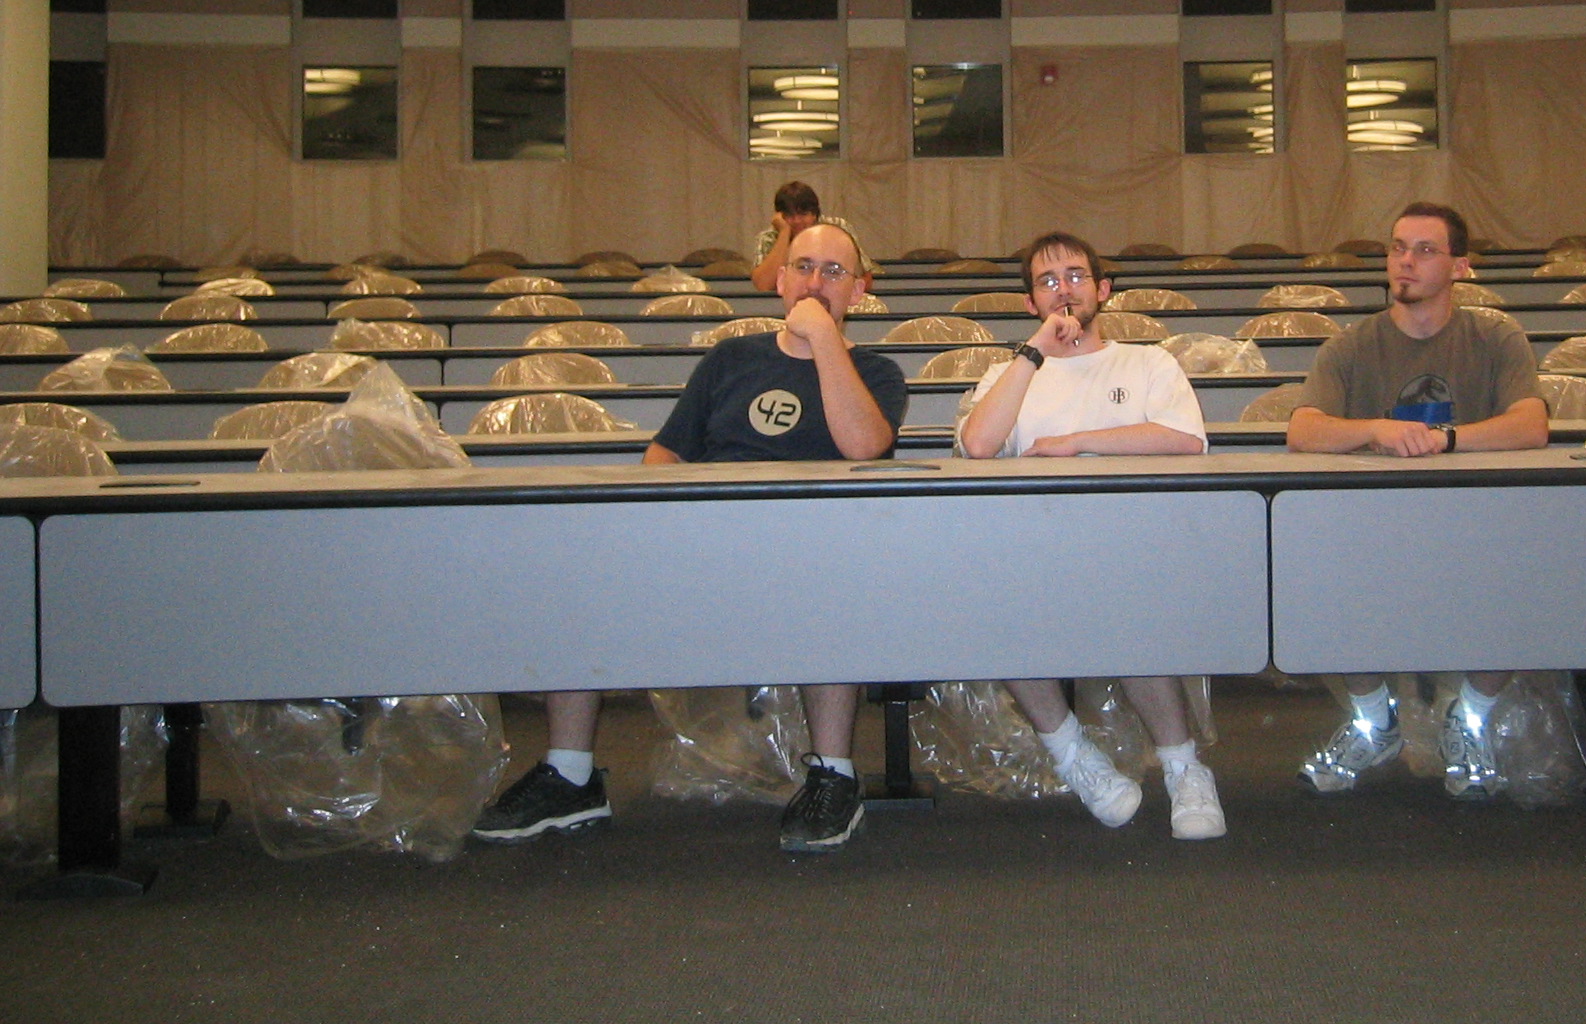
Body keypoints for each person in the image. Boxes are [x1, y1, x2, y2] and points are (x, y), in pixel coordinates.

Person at [474, 221, 908, 852]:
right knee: (579, 569)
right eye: (803, 267)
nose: (815, 282)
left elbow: (865, 447)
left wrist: (821, 339)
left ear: (860, 292)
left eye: (834, 272)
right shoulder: (730, 360)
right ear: (780, 281)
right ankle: (570, 777)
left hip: (813, 548)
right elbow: (666, 455)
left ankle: (834, 776)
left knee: (831, 572)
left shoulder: (876, 372)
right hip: (706, 540)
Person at [955, 231, 1226, 840]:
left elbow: (1185, 440)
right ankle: (1073, 755)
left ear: (1103, 289)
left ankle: (1184, 768)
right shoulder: (1010, 371)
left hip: (1133, 543)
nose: (1064, 290)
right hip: (1033, 547)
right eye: (1047, 282)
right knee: (993, 602)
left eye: (1076, 276)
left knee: (1130, 604)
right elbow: (978, 445)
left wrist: (1076, 443)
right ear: (1030, 303)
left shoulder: (1148, 362)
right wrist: (1034, 353)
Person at [1286, 202, 1550, 800]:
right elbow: (1303, 430)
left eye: (1425, 250)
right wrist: (1375, 429)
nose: (1405, 261)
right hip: (1378, 525)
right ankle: (1373, 721)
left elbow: (1531, 424)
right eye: (1398, 247)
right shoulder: (1353, 346)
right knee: (1312, 571)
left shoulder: (1495, 337)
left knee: (1529, 571)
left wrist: (1446, 440)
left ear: (1460, 266)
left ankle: (1471, 716)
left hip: (1477, 520)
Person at [752, 180, 857, 293]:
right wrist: (784, 233)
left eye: (803, 214)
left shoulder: (838, 228)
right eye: (789, 215)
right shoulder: (768, 237)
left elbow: (863, 276)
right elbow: (763, 286)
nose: (797, 221)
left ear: (815, 214)